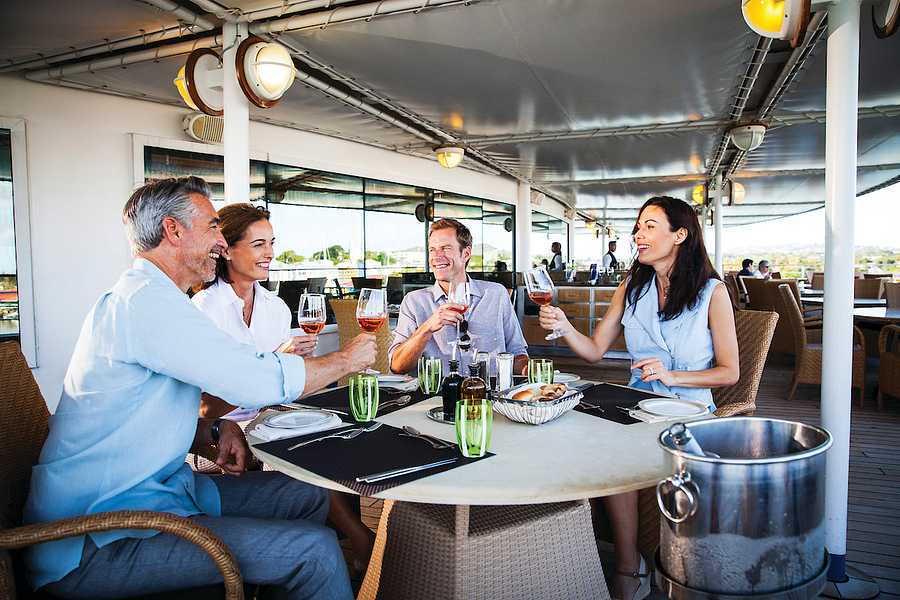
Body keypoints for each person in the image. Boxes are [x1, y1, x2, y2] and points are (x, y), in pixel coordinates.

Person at [24, 177, 376, 599]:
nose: (221, 242)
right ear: (173, 230)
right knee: (314, 551)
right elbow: (254, 379)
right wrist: (345, 360)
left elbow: (149, 414)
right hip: (98, 536)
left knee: (309, 495)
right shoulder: (145, 303)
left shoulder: (158, 300)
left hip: (162, 495)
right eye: (212, 227)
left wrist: (214, 428)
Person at [539, 196, 738, 600]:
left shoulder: (712, 293)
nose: (638, 234)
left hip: (689, 412)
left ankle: (668, 563)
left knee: (612, 451)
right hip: (637, 404)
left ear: (680, 235)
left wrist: (672, 375)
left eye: (649, 226)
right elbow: (594, 350)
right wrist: (564, 325)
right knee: (593, 445)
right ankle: (628, 565)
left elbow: (729, 372)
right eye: (638, 226)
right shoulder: (633, 286)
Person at [191, 203, 375, 572]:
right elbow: (202, 406)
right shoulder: (203, 309)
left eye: (272, 243)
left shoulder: (275, 308)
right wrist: (278, 360)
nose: (270, 253)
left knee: (342, 434)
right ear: (227, 250)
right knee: (307, 450)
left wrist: (302, 370)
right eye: (258, 244)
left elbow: (286, 390)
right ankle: (358, 541)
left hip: (269, 415)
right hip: (219, 426)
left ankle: (338, 540)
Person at [389, 218, 529, 376]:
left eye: (445, 248)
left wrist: (530, 370)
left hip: (489, 391)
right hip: (438, 392)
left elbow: (516, 353)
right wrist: (427, 328)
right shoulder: (414, 301)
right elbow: (397, 366)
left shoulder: (496, 293)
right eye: (432, 250)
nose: (437, 256)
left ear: (466, 253)